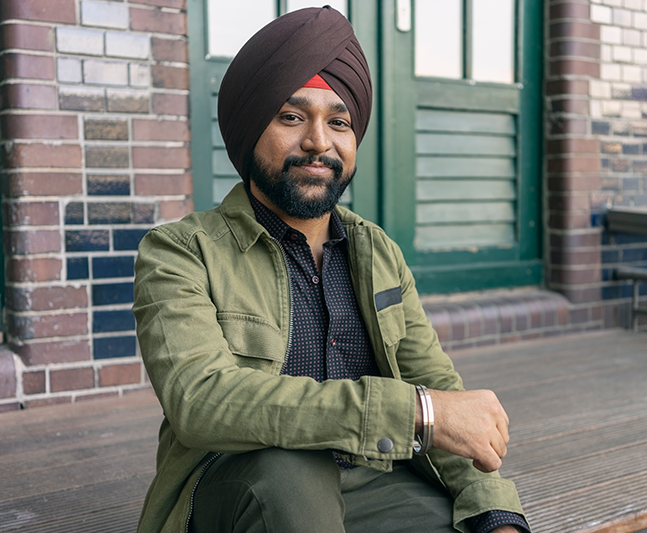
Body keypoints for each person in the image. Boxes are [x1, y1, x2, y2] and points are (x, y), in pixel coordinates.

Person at [133, 7, 529, 533]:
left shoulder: (377, 252)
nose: (320, 141)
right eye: (292, 117)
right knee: (292, 470)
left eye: (338, 122)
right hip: (238, 487)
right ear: (252, 131)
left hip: (369, 480)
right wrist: (411, 412)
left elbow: (438, 389)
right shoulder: (181, 251)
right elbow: (200, 400)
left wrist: (498, 513)